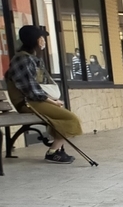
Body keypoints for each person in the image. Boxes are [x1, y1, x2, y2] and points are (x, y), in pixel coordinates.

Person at [5, 25, 82, 164]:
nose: (43, 41)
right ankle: (53, 152)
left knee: (63, 117)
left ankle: (58, 151)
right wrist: (53, 102)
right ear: (34, 40)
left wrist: (53, 100)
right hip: (27, 103)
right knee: (71, 119)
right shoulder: (23, 60)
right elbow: (31, 90)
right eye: (41, 38)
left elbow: (38, 88)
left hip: (35, 101)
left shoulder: (31, 58)